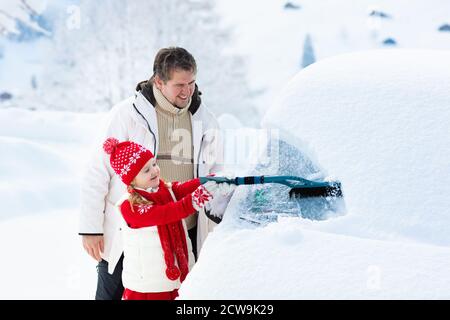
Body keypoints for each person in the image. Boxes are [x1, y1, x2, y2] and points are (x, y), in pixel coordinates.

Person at [79, 47, 234, 300]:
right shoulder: (127, 115)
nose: (188, 91)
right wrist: (90, 228)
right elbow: (97, 172)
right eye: (179, 85)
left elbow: (215, 170)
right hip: (132, 231)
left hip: (185, 231)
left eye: (192, 83)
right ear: (159, 82)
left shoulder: (205, 119)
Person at [102, 137, 219, 300]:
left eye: (154, 164)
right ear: (132, 179)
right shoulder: (130, 207)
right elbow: (166, 213)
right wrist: (197, 199)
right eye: (146, 170)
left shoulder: (162, 190)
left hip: (175, 281)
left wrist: (207, 180)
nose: (155, 171)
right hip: (149, 289)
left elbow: (180, 189)